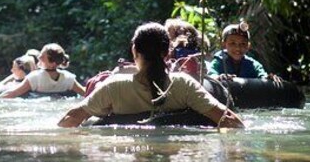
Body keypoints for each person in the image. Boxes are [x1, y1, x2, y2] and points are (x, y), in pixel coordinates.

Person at [58, 23, 245, 128]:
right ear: (167, 52)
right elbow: (230, 121)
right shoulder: (183, 85)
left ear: (134, 51)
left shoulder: (114, 87)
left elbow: (70, 119)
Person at [0, 43, 85, 98]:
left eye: (42, 56)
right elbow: (86, 94)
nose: (38, 57)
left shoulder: (35, 77)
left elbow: (12, 94)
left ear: (52, 63)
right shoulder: (69, 78)